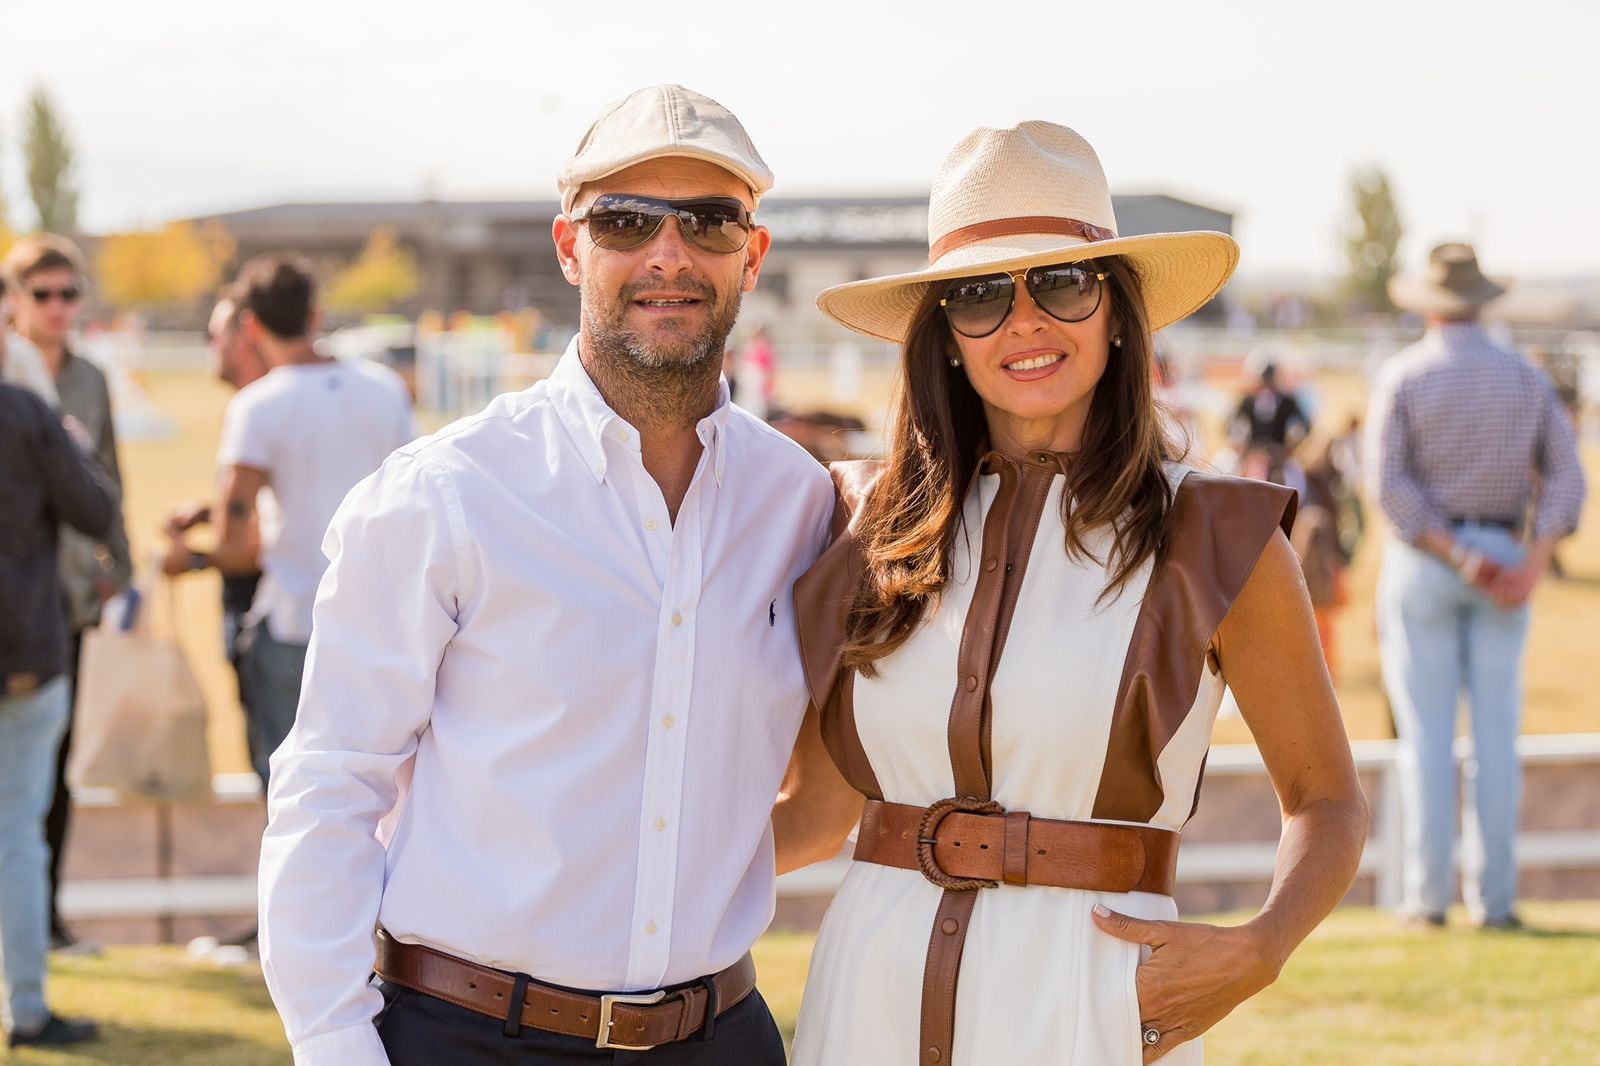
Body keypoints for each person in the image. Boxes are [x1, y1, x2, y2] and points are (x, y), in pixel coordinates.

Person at [258, 85, 833, 1065]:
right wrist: (334, 1043)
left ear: (752, 252)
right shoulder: (445, 494)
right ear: (571, 248)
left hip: (721, 1037)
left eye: (707, 220)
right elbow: (330, 787)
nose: (668, 253)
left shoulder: (800, 505)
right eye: (624, 220)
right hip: (467, 1037)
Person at [773, 122, 1368, 1065]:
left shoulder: (1216, 536)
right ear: (944, 333)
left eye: (1060, 283)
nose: (1024, 323)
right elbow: (812, 815)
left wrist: (1261, 949)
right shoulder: (861, 522)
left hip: (1091, 1005)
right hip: (866, 999)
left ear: (1117, 307)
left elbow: (1327, 798)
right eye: (977, 295)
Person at [1365, 242, 1586, 930]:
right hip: (1503, 555)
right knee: (1496, 737)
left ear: (1428, 304)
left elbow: (1388, 486)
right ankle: (1496, 900)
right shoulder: (1525, 377)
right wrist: (1532, 558)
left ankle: (1427, 898)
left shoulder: (1403, 376)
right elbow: (1568, 479)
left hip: (1434, 559)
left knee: (1425, 739)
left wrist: (1457, 553)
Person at [161, 255, 416, 790]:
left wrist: (190, 559)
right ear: (315, 314)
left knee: (291, 799)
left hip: (292, 622)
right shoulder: (384, 388)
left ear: (250, 326)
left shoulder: (258, 406)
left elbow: (235, 541)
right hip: (379, 622)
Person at [2, 234, 131, 954]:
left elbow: (109, 484)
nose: (57, 308)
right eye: (42, 294)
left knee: (53, 768)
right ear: (16, 302)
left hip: (69, 593)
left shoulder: (91, 378)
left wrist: (124, 565)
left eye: (68, 294)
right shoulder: (16, 382)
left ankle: (42, 919)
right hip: (19, 592)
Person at [0, 278, 107, 1048]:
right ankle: (27, 1008)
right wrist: (66, 441)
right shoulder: (25, 412)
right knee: (16, 834)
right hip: (24, 652)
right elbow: (95, 509)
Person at [161, 295, 271, 784]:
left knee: (276, 770)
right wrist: (210, 512)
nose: (211, 346)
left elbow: (259, 542)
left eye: (215, 334)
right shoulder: (262, 404)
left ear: (244, 337)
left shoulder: (261, 406)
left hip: (268, 612)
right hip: (264, 609)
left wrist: (191, 561)